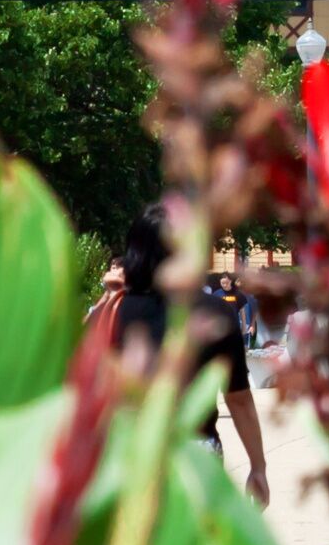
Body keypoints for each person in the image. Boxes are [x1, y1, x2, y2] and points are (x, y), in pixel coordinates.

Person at [104, 207, 269, 504]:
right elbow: (239, 399)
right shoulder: (215, 313)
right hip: (197, 454)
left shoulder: (114, 312)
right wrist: (258, 467)